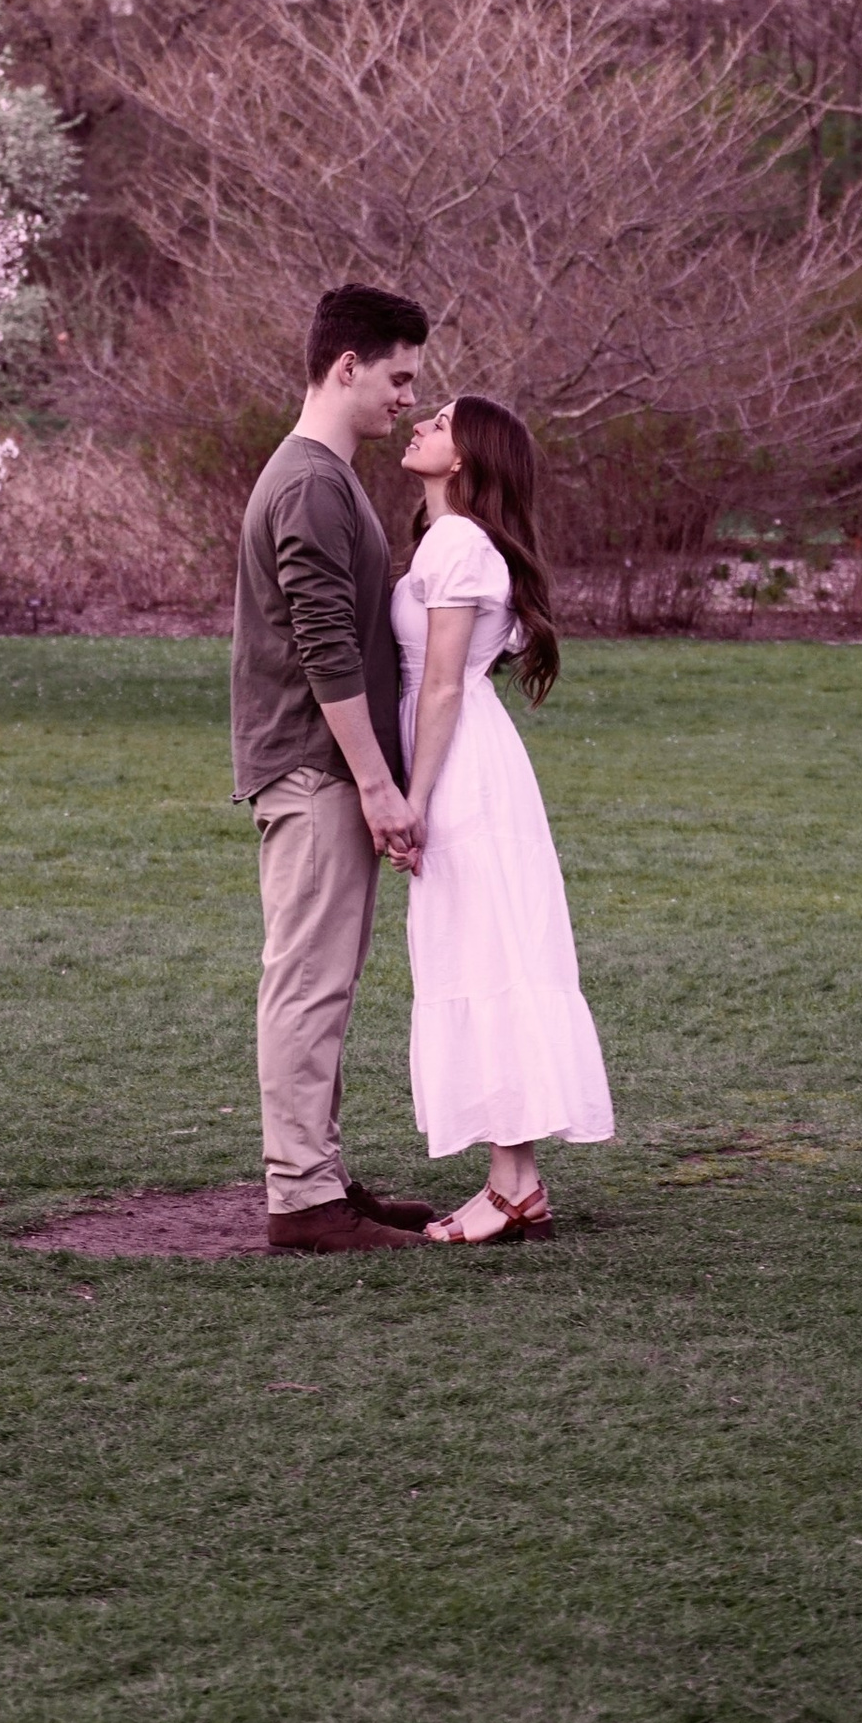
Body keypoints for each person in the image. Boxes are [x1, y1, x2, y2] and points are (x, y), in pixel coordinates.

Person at [232, 284, 438, 1254]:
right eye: (398, 377)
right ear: (345, 365)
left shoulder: (325, 474)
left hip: (321, 769)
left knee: (323, 981)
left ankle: (320, 1177)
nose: (407, 397)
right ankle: (302, 1200)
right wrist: (375, 783)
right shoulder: (310, 479)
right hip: (314, 771)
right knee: (307, 984)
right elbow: (324, 647)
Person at [393, 393, 613, 1244]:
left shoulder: (457, 543)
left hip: (458, 770)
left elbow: (443, 684)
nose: (419, 423)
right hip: (465, 759)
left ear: (465, 460)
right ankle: (514, 1181)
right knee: (482, 953)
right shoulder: (449, 542)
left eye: (439, 422)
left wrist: (411, 801)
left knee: (485, 956)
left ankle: (511, 1181)